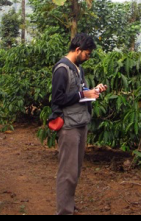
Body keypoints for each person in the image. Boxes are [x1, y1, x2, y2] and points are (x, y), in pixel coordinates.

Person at [51, 33, 107, 215]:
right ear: (77, 50)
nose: (88, 57)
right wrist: (84, 95)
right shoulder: (62, 69)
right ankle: (64, 211)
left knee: (75, 170)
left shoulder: (78, 68)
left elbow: (79, 92)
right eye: (87, 54)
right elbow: (57, 99)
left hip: (81, 122)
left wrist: (94, 90)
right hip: (69, 126)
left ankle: (69, 205)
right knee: (67, 172)